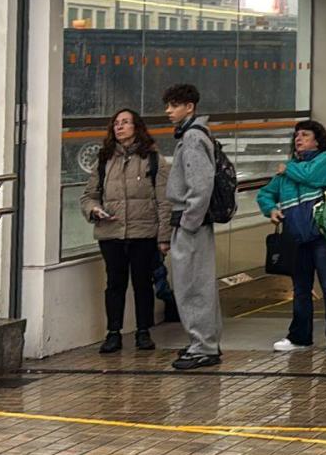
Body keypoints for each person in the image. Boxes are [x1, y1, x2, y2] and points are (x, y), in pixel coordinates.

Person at [79, 108, 171, 354]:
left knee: (143, 283)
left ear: (136, 127)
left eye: (125, 122)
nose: (119, 127)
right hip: (111, 233)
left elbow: (164, 200)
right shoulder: (104, 159)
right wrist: (94, 210)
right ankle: (113, 333)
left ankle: (143, 331)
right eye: (116, 123)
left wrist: (164, 237)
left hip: (143, 233)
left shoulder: (153, 159)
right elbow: (89, 196)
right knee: (115, 283)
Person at [258, 120, 326, 354]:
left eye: (305, 135)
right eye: (297, 136)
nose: (299, 139)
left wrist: (286, 169)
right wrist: (271, 209)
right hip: (297, 238)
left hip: (324, 236)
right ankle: (299, 337)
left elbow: (314, 177)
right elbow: (266, 193)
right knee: (301, 289)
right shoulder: (288, 170)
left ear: (317, 140)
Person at [163, 83, 223, 371]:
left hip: (191, 223)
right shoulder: (196, 135)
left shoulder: (193, 137)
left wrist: (188, 221)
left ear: (190, 107)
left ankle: (203, 346)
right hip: (193, 221)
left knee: (193, 286)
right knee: (196, 284)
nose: (168, 111)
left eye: (174, 105)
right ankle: (203, 343)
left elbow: (200, 183)